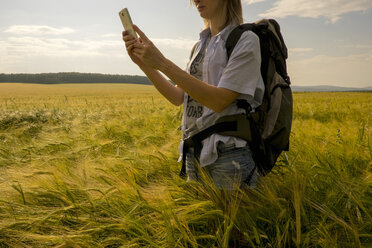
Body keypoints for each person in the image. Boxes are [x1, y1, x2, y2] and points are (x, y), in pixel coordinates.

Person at [122, 0, 264, 190]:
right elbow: (177, 96)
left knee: (232, 219)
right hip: (194, 150)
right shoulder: (199, 46)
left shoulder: (245, 40)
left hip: (229, 152)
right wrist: (144, 64)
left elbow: (220, 100)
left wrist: (162, 63)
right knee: (203, 220)